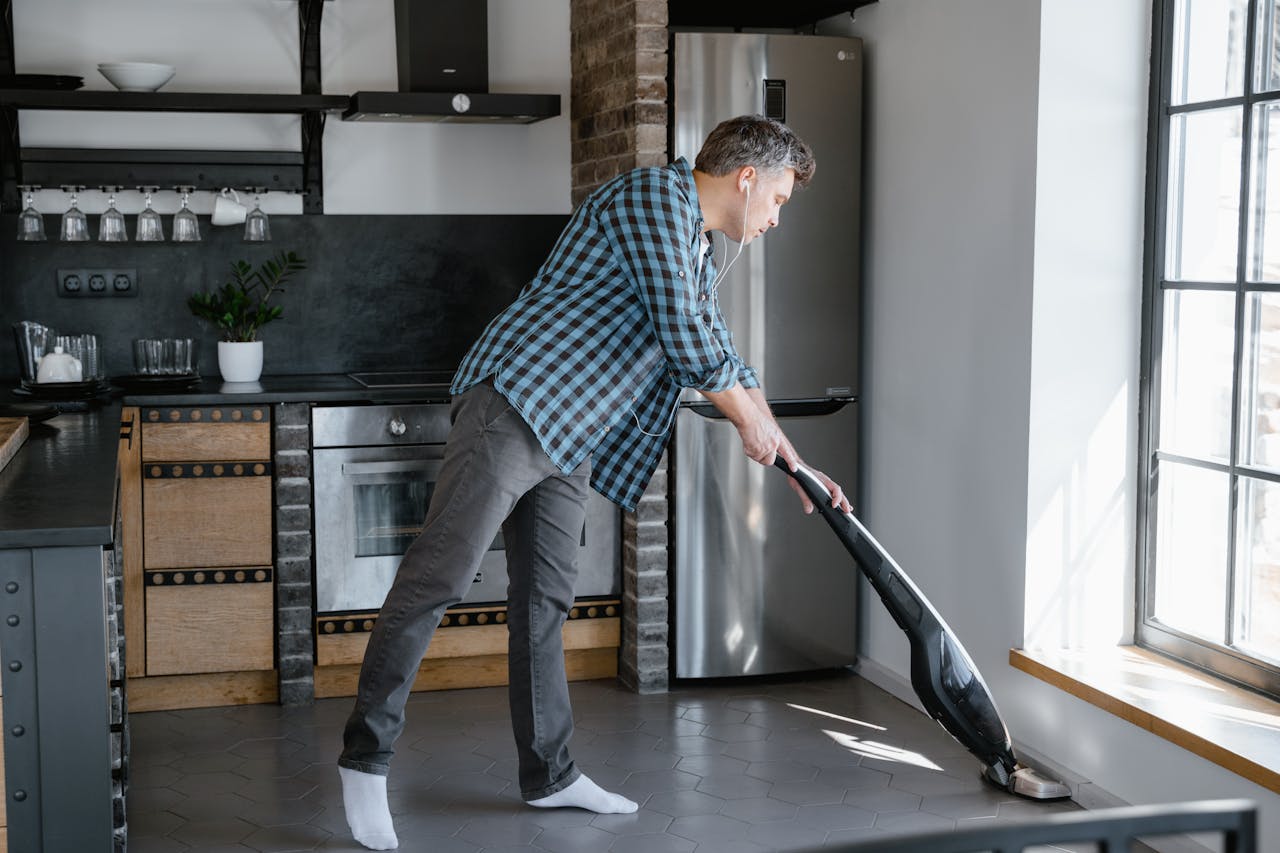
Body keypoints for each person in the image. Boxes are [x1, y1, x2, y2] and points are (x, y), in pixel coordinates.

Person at [337, 114, 852, 851]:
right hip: (515, 403)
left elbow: (724, 357)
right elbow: (684, 333)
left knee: (544, 599)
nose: (774, 218)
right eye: (777, 200)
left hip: (570, 430)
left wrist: (797, 463)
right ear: (748, 177)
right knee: (437, 578)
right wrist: (748, 425)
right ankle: (365, 760)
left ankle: (549, 774)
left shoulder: (697, 248)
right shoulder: (654, 199)